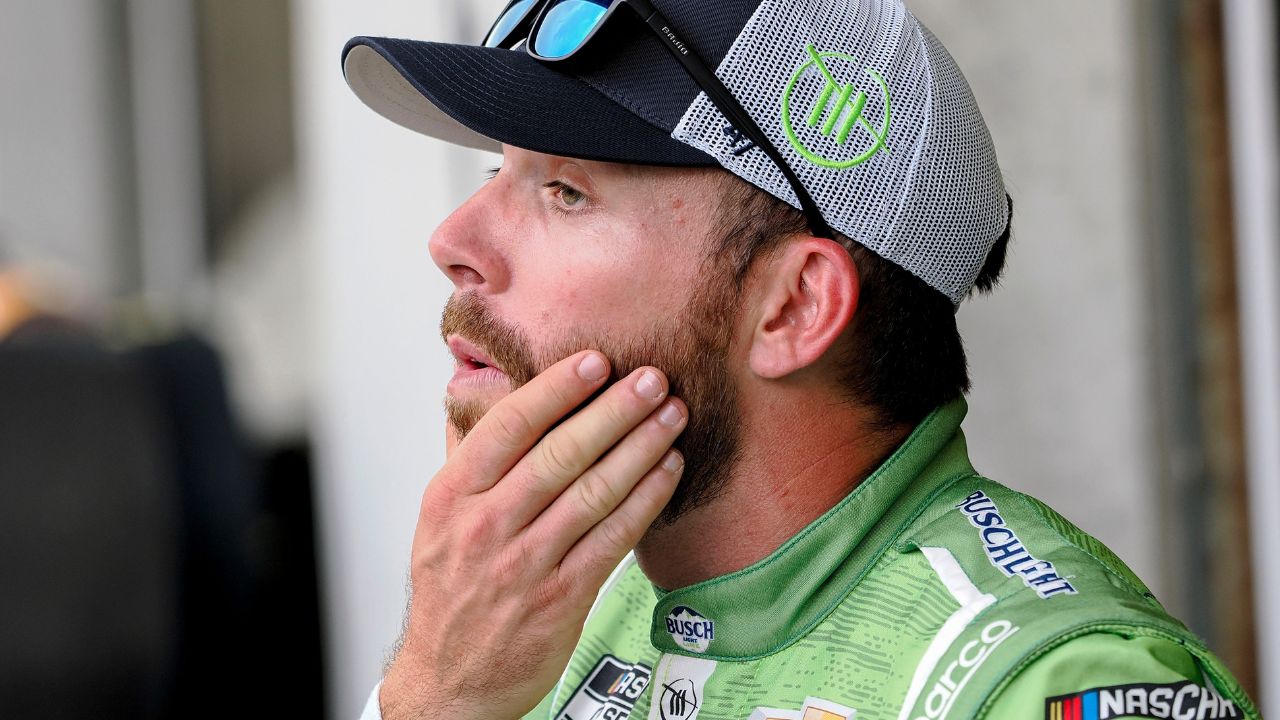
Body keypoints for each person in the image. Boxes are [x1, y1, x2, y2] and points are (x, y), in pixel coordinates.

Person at [340, 1, 1259, 718]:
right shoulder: (538, 621)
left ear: (794, 307)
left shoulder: (1049, 687)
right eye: (494, 174)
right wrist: (433, 696)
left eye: (566, 193)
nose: (452, 241)